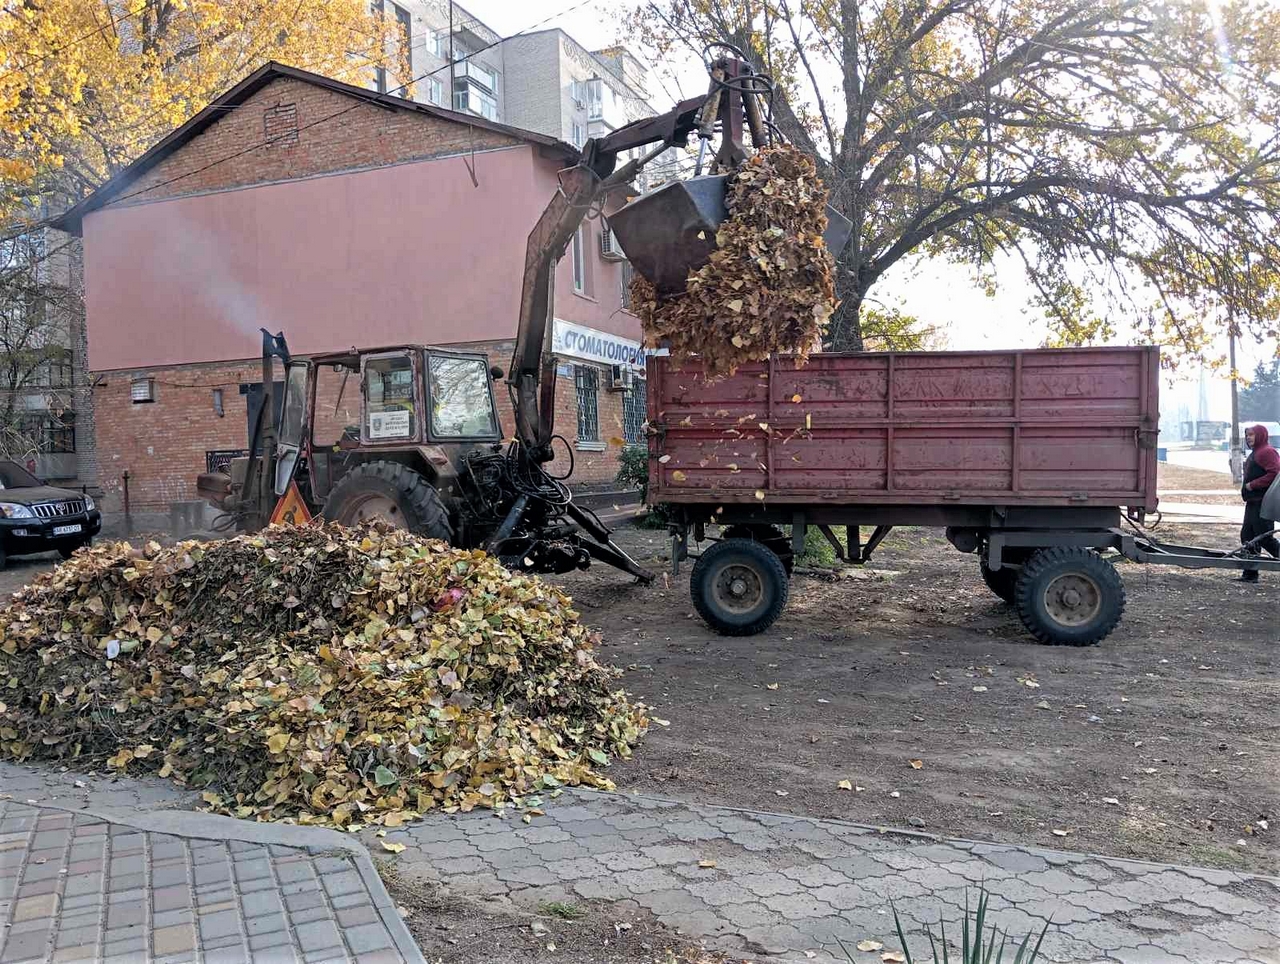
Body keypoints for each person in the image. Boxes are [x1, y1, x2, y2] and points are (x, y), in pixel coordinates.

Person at [1239, 424, 1280, 583]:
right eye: (1247, 435)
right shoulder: (1257, 452)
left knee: (1264, 538)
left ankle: (1251, 572)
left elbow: (1275, 473)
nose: (1248, 438)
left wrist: (1253, 485)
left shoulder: (1267, 452)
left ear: (1261, 435)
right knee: (1248, 536)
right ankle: (1250, 574)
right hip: (1252, 502)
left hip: (1262, 503)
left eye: (1251, 435)